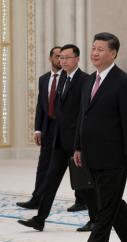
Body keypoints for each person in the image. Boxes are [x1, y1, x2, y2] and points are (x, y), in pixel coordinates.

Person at [73, 32, 127, 242]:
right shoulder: (89, 80)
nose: (94, 53)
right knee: (111, 201)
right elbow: (82, 116)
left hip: (113, 157)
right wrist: (78, 146)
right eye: (93, 48)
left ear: (113, 53)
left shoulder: (123, 81)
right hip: (89, 155)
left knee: (104, 210)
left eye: (100, 49)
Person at [17, 44, 96, 232]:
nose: (63, 61)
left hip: (76, 142)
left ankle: (95, 220)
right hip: (59, 141)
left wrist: (80, 143)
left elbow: (84, 113)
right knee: (50, 180)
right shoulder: (61, 79)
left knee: (83, 183)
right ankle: (40, 219)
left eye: (67, 57)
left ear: (77, 59)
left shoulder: (85, 80)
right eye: (61, 58)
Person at [16, 46, 65, 210]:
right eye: (57, 56)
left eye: (63, 56)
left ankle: (82, 200)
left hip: (66, 129)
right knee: (43, 164)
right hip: (48, 127)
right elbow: (40, 106)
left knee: (74, 165)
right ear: (50, 58)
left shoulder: (70, 79)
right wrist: (38, 129)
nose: (60, 59)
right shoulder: (43, 79)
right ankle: (37, 198)